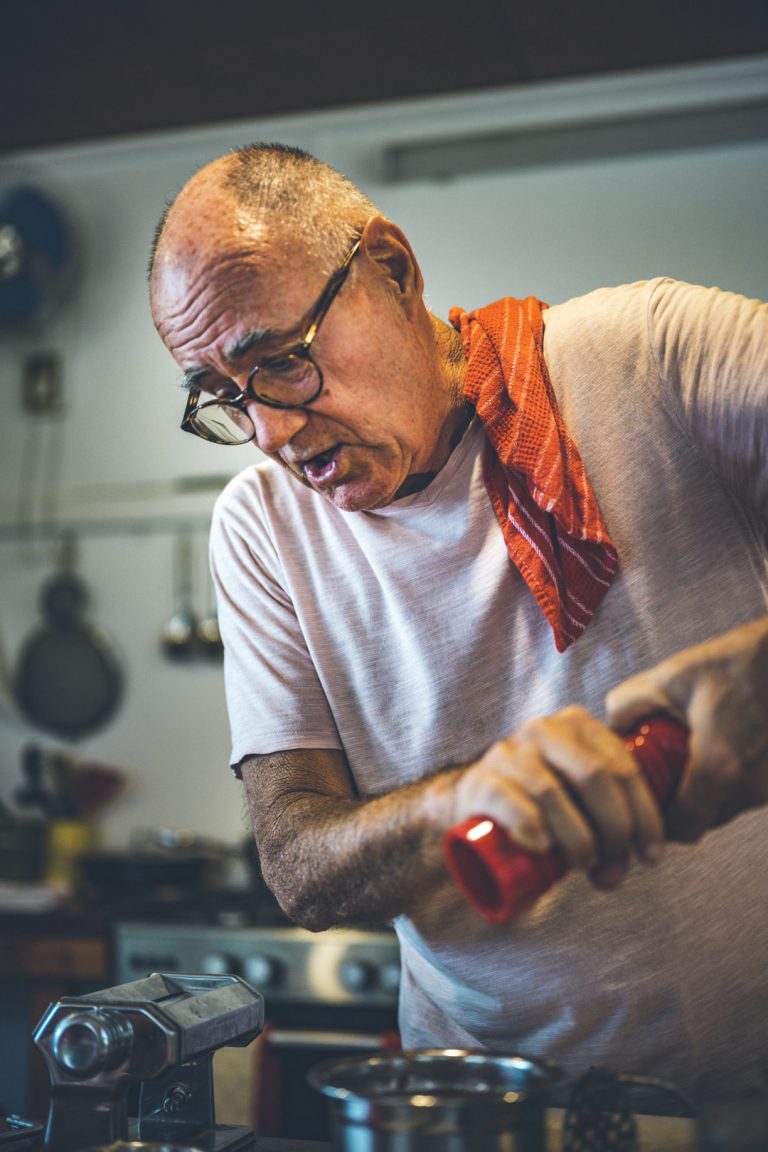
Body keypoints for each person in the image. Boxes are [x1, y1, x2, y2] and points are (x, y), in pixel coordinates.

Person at [149, 143, 768, 1106]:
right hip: (479, 1102)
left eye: (280, 363)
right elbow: (300, 870)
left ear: (390, 271)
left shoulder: (649, 356)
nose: (268, 433)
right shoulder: (262, 532)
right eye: (224, 397)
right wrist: (461, 801)